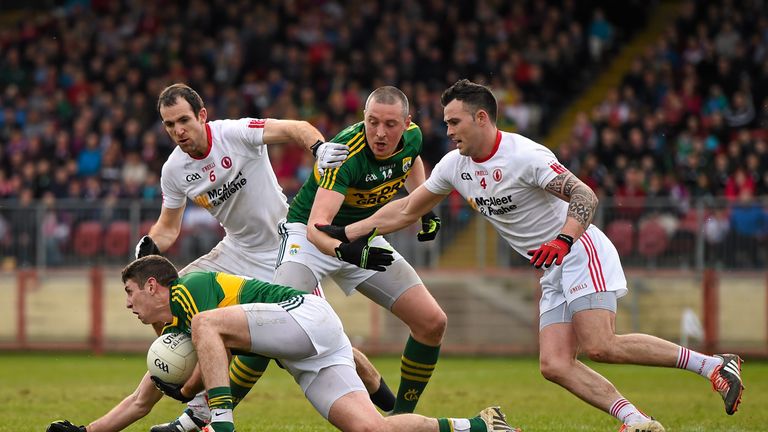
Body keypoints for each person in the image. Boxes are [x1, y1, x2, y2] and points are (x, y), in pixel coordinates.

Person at [316, 80, 745, 432]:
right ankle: (634, 420)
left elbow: (584, 194)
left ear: (481, 118)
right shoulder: (453, 165)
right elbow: (408, 208)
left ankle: (713, 365)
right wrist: (347, 232)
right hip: (552, 267)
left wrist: (563, 240)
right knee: (555, 364)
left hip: (579, 250)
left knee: (600, 345)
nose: (447, 132)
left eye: (454, 122)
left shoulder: (526, 156)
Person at [134, 83, 394, 432]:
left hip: (284, 249)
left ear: (202, 116)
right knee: (168, 297)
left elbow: (292, 128)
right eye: (169, 125)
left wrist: (318, 148)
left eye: (183, 120)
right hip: (236, 251)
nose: (178, 130)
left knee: (314, 343)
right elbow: (168, 227)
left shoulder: (234, 133)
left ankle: (373, 381)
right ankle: (193, 411)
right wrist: (151, 243)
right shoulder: (174, 170)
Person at [45, 255, 520, 432]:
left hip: (305, 315)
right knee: (372, 430)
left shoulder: (193, 293)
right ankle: (479, 426)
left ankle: (220, 426)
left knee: (209, 328)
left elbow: (205, 348)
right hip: (309, 349)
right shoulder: (180, 330)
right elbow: (140, 399)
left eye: (129, 292)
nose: (127, 304)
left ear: (153, 287)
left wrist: (191, 396)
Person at [272, 85, 447, 414]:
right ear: (363, 118)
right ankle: (210, 416)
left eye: (390, 125)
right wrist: (349, 252)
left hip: (361, 233)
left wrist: (423, 204)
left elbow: (411, 162)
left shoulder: (413, 137)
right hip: (309, 237)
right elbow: (317, 228)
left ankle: (401, 417)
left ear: (407, 122)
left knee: (432, 321)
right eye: (372, 122)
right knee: (277, 323)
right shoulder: (344, 152)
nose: (380, 133)